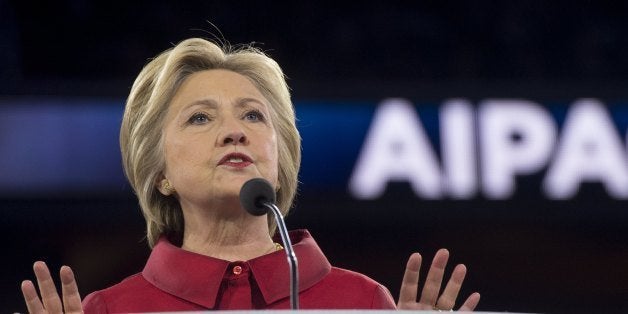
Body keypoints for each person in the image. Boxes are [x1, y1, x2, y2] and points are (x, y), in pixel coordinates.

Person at [20, 38, 481, 312]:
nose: (234, 132)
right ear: (159, 172)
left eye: (254, 117)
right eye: (200, 118)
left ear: (279, 164)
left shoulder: (362, 301)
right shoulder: (107, 311)